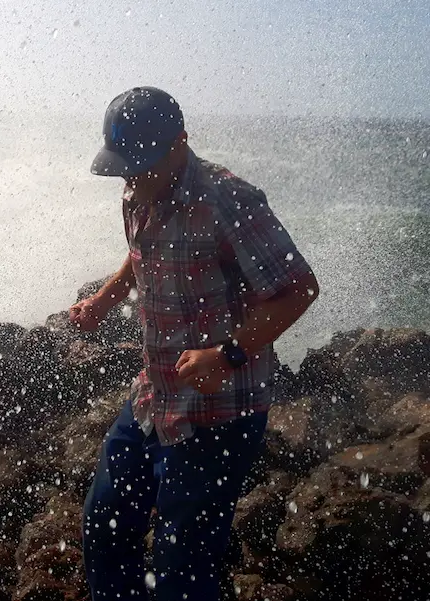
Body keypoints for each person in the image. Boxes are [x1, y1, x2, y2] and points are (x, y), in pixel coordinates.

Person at [71, 87, 319, 601]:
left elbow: (300, 288)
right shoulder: (137, 191)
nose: (131, 181)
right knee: (103, 529)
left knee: (183, 572)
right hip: (153, 397)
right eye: (123, 168)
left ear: (179, 143)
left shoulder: (229, 201)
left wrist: (226, 354)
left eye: (140, 165)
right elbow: (141, 252)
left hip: (219, 414)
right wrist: (104, 298)